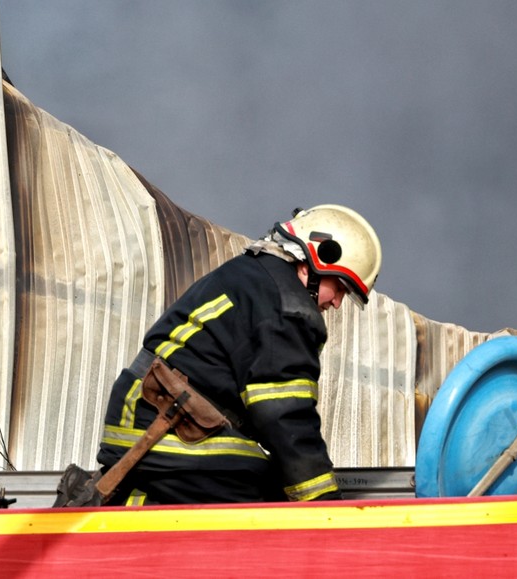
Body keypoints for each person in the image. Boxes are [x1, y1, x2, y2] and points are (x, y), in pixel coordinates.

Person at [96, 204, 382, 505]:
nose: (337, 303)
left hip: (152, 424)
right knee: (261, 497)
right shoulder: (286, 307)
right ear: (317, 259)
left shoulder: (255, 278)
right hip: (163, 433)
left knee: (264, 481)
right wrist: (325, 507)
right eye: (339, 287)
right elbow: (285, 415)